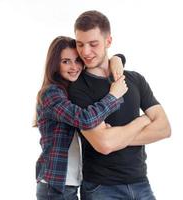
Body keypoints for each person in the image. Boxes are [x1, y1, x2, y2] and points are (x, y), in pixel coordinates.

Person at [68, 10, 172, 200]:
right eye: (80, 44)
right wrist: (142, 121)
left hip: (141, 183)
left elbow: (164, 128)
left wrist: (117, 137)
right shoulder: (77, 88)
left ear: (108, 42)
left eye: (93, 44)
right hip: (101, 188)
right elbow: (104, 144)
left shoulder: (134, 79)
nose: (85, 52)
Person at [34, 36, 151, 200]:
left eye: (77, 60)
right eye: (66, 61)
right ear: (54, 65)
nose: (74, 67)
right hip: (55, 185)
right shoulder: (51, 94)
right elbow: (85, 119)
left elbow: (108, 58)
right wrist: (115, 97)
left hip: (71, 183)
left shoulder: (70, 91)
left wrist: (117, 59)